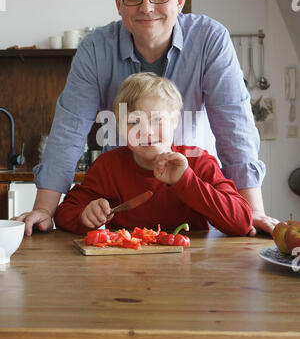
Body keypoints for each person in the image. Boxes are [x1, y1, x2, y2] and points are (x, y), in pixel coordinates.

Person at [14, 0, 278, 236]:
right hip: (123, 210)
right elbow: (69, 129)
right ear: (118, 2)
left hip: (192, 200)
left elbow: (234, 125)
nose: (146, 7)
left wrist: (253, 210)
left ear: (179, 0)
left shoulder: (210, 40)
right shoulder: (95, 50)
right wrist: (45, 209)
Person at [54, 73, 252, 236]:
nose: (147, 131)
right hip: (126, 268)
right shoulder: (108, 166)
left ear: (175, 121)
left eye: (157, 119)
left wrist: (185, 180)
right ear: (120, 128)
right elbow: (64, 214)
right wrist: (84, 216)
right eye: (134, 122)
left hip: (191, 268)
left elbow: (241, 221)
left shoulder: (198, 161)